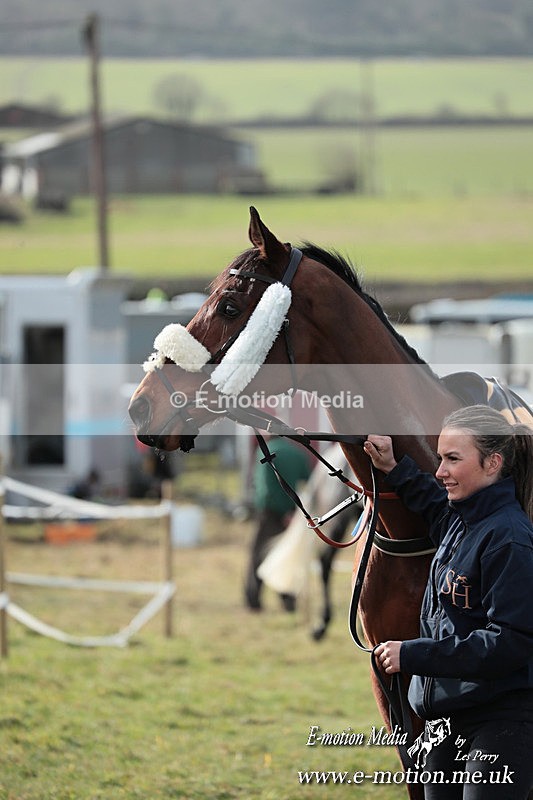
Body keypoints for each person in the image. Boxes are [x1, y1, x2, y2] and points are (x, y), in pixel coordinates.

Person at [363, 405, 533, 799]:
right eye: (440, 458)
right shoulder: (462, 521)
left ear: (493, 463)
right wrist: (394, 467)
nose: (439, 471)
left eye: (453, 459)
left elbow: (511, 643)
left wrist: (416, 655)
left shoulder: (509, 539)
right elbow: (430, 502)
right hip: (445, 719)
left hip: (499, 721)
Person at [245, 435, 312, 612]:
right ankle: (288, 602)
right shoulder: (297, 453)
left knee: (258, 556)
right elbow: (307, 481)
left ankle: (253, 601)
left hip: (270, 513)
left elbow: (265, 487)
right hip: (292, 514)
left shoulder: (265, 451)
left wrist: (281, 511)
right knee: (288, 555)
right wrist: (292, 511)